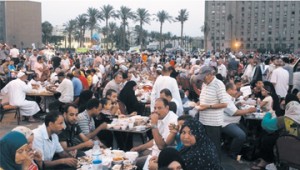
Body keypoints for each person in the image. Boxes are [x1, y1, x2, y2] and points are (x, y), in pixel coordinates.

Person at [252, 94, 300, 169]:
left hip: (286, 146)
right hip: (297, 150)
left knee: (267, 138)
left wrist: (268, 113)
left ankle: (265, 161)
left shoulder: (284, 120)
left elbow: (265, 124)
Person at [131, 98, 178, 169]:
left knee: (132, 162)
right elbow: (155, 140)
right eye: (155, 108)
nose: (156, 111)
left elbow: (161, 146)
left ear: (167, 108)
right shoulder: (161, 117)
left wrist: (154, 125)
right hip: (153, 151)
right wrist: (140, 147)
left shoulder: (172, 121)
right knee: (131, 155)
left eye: (159, 108)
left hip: (160, 157)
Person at [194, 66, 228, 158]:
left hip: (213, 122)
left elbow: (224, 104)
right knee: (204, 145)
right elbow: (204, 98)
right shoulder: (205, 84)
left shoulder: (218, 84)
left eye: (203, 77)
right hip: (203, 119)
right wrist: (198, 104)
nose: (202, 80)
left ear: (210, 75)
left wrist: (208, 106)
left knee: (214, 147)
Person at [222, 82, 256, 159]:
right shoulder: (225, 98)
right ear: (229, 90)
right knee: (241, 135)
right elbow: (235, 112)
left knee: (246, 132)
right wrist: (249, 110)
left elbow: (231, 107)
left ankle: (232, 146)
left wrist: (237, 104)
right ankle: (232, 154)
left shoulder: (228, 97)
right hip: (226, 123)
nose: (236, 91)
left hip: (233, 121)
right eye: (235, 90)